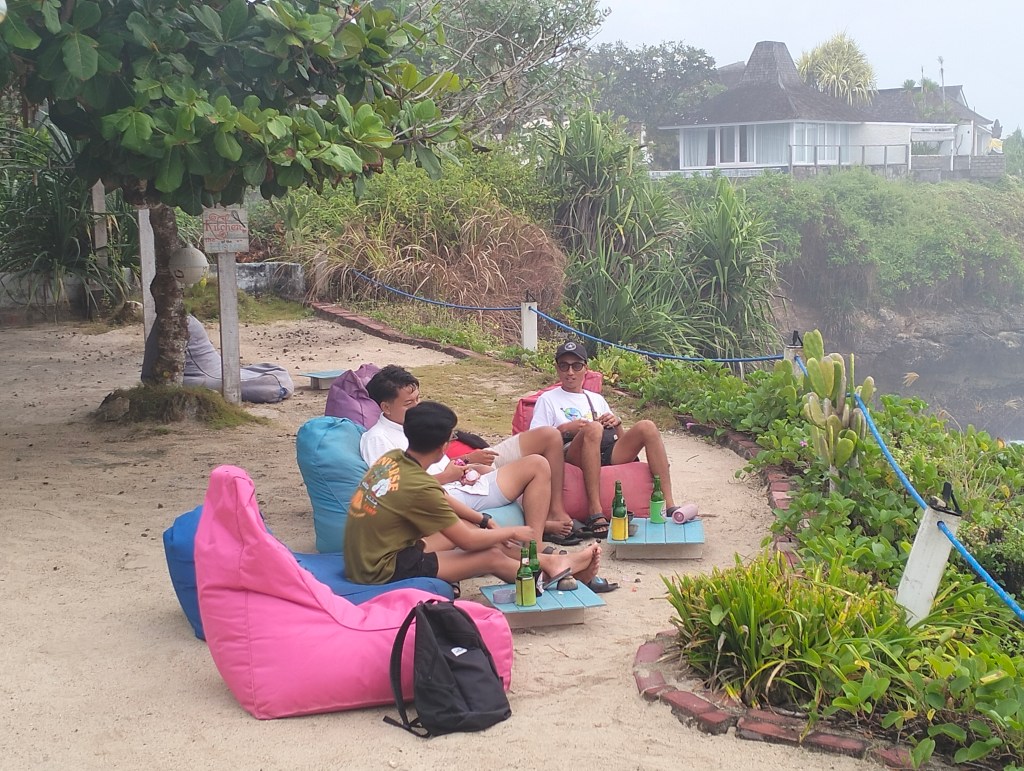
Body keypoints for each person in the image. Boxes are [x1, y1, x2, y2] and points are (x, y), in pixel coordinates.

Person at [344, 401, 601, 587]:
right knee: (490, 556)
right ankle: (548, 576)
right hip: (381, 568)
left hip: (367, 554)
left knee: (481, 533)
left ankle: (551, 565)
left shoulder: (393, 458)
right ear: (444, 446)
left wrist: (484, 520)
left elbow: (441, 496)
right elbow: (467, 541)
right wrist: (512, 532)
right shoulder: (420, 488)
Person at [360, 365, 583, 546]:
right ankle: (535, 546)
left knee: (536, 463)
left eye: (418, 399)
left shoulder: (415, 424)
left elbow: (436, 464)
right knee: (533, 467)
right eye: (409, 403)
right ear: (386, 408)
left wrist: (465, 465)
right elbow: (393, 492)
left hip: (461, 483)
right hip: (445, 495)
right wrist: (448, 477)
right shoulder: (378, 438)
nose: (417, 407)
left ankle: (537, 535)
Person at [529, 339, 686, 539]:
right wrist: (566, 429)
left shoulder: (596, 399)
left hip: (605, 449)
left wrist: (617, 424)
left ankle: (669, 504)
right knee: (594, 427)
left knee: (647, 427)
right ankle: (595, 511)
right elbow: (536, 440)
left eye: (576, 366)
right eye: (564, 366)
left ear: (585, 368)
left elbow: (620, 440)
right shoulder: (548, 400)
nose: (570, 372)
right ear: (557, 369)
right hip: (572, 451)